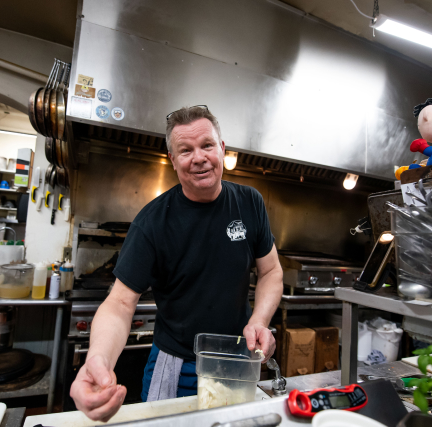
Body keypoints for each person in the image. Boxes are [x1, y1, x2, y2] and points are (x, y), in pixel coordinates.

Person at [69, 105, 284, 422]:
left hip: (237, 362)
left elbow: (271, 271)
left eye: (207, 145)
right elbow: (120, 303)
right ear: (172, 159)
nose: (199, 157)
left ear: (221, 149)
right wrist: (96, 360)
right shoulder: (153, 222)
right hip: (177, 365)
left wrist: (260, 320)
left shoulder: (250, 202)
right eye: (186, 150)